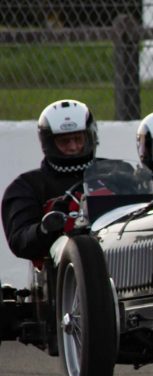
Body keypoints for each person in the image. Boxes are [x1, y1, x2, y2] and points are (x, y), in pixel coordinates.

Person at [2, 99, 99, 260]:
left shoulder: (115, 174)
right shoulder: (26, 186)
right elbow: (20, 240)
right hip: (62, 272)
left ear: (90, 137)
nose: (73, 147)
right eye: (64, 141)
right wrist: (45, 229)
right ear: (49, 142)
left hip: (118, 253)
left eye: (78, 139)